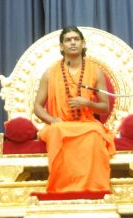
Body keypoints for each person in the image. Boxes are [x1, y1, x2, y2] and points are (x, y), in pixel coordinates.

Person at [34, 25, 116, 194]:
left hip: (86, 124)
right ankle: (62, 189)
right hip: (59, 125)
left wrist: (88, 103)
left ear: (83, 44)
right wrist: (53, 120)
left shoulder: (96, 72)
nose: (72, 42)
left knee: (94, 134)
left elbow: (104, 107)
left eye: (76, 39)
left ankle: (94, 189)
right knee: (56, 131)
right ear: (61, 46)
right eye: (68, 40)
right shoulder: (49, 73)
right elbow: (37, 107)